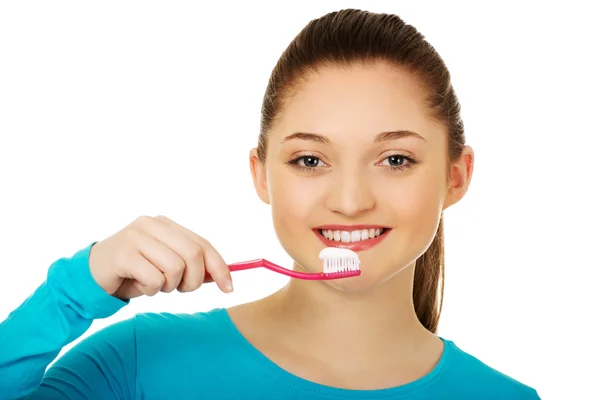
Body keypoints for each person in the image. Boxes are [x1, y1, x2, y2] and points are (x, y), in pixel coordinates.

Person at [0, 8, 540, 400]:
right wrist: (73, 289)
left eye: (395, 159)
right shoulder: (140, 361)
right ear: (261, 175)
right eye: (310, 160)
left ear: (456, 176)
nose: (350, 201)